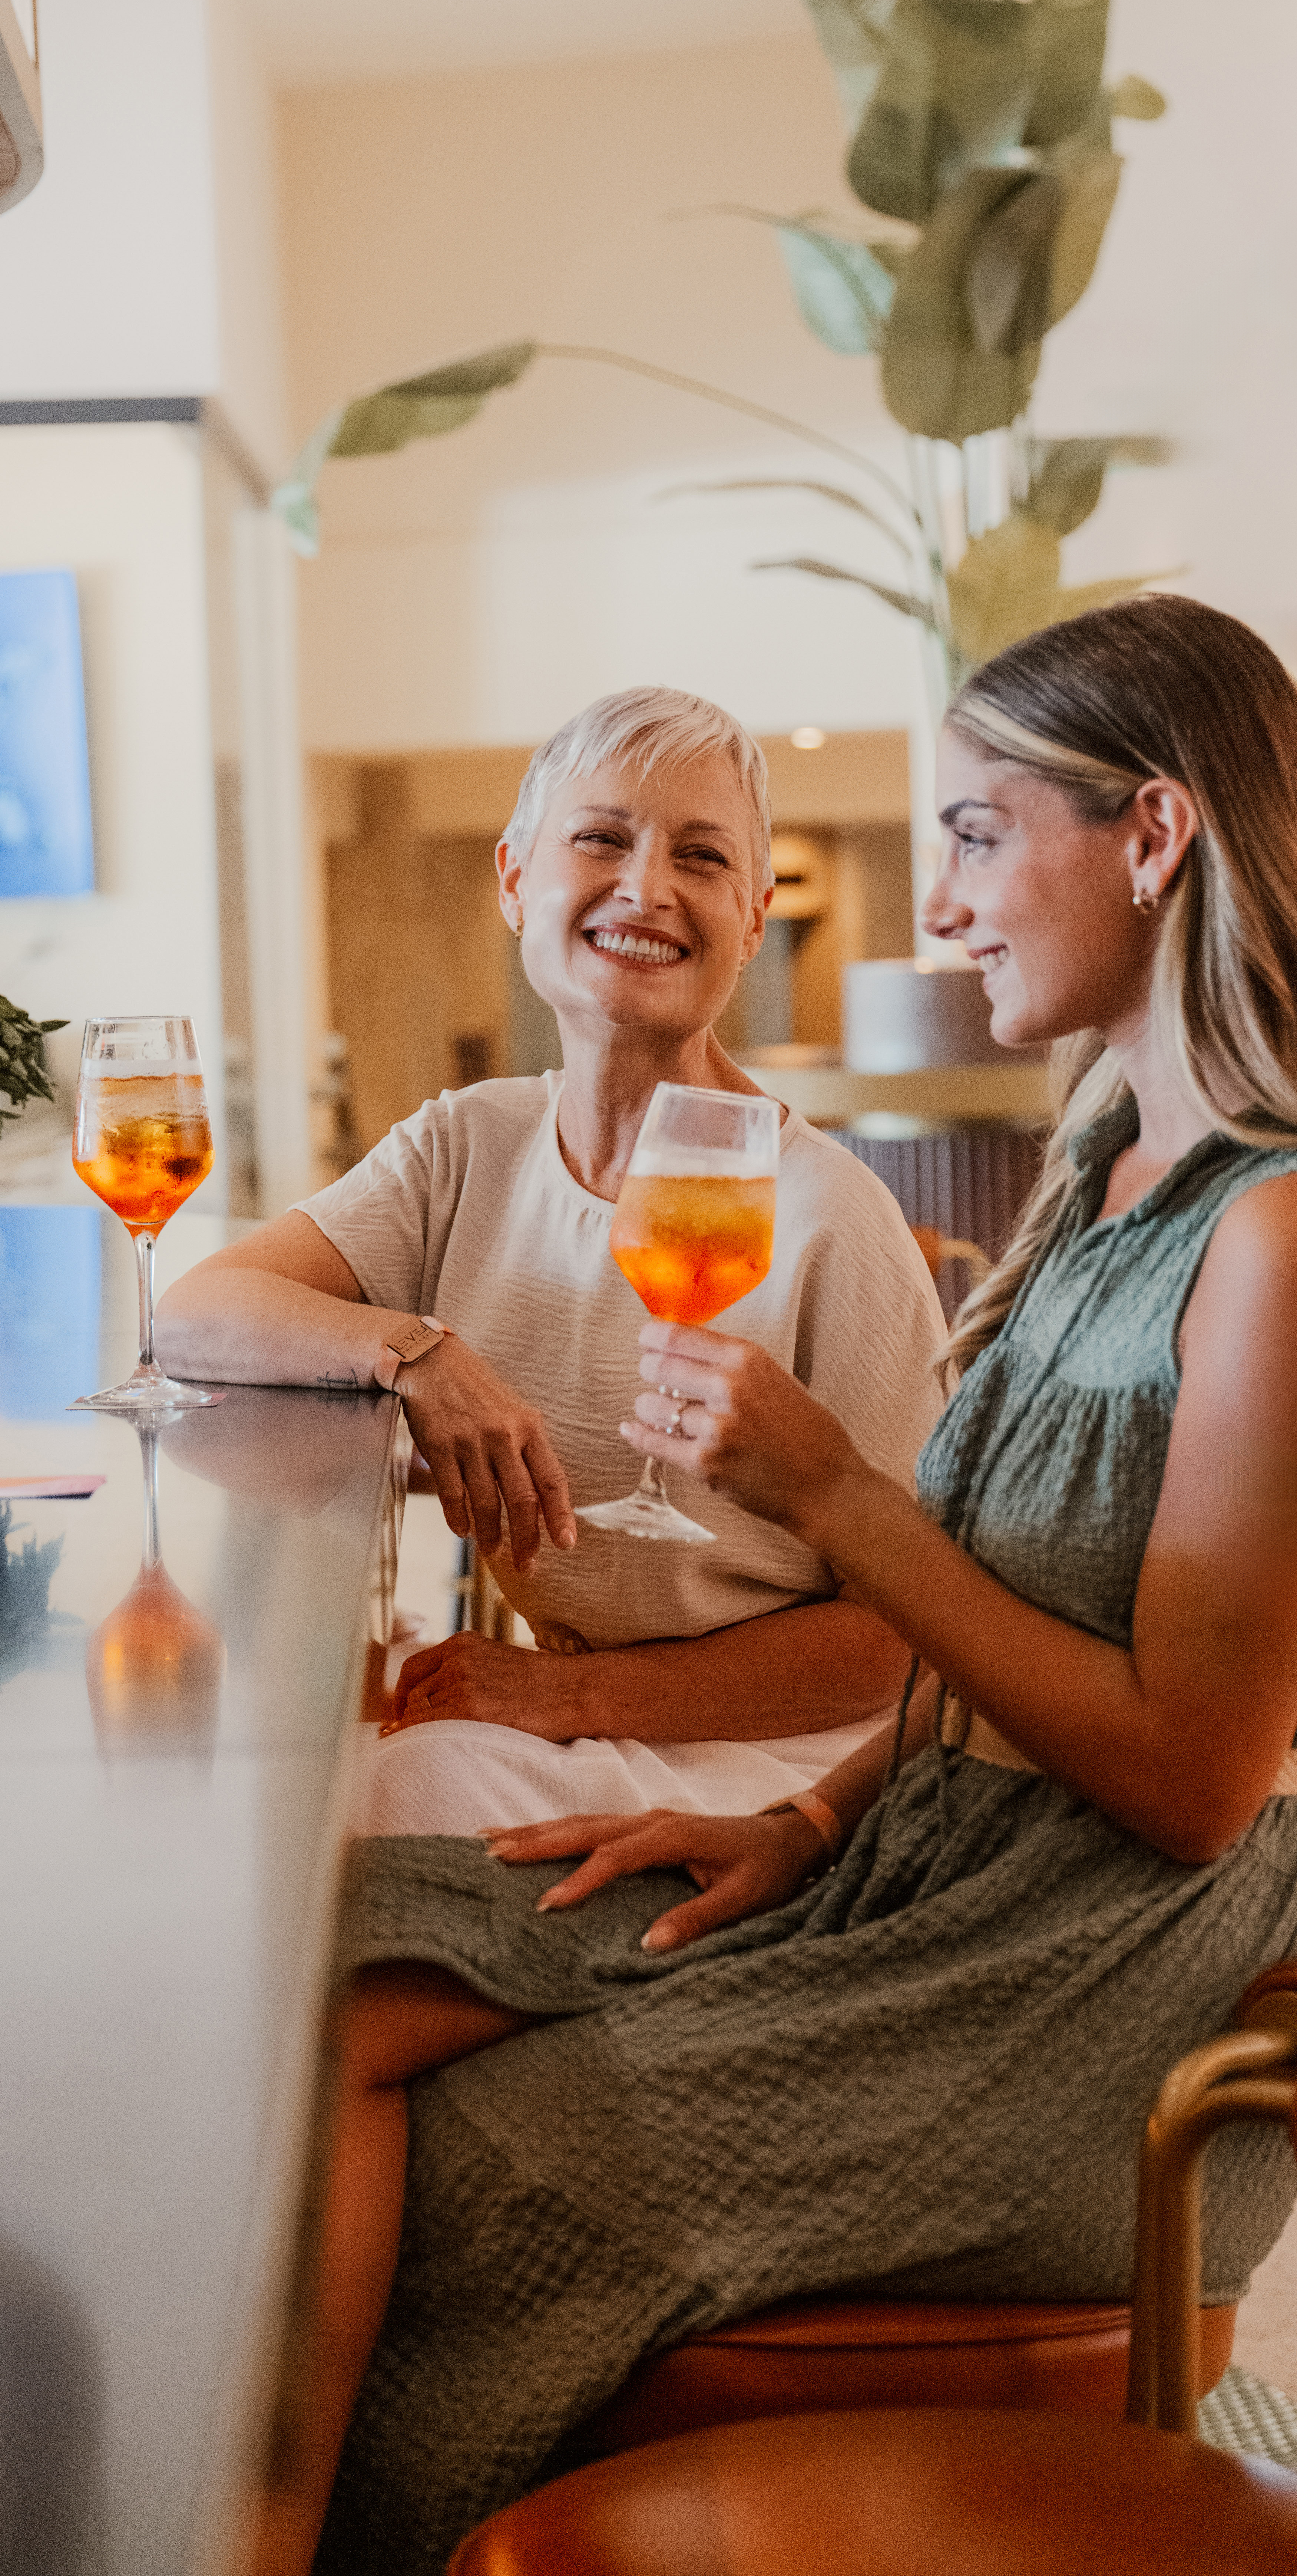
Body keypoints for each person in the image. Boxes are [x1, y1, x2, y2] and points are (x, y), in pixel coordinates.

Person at [257, 595, 1297, 2576]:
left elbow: (1190, 1779)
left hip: (1097, 1967)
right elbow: (996, 1633)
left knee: (474, 2163)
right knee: (327, 1978)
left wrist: (832, 1494)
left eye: (976, 833)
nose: (945, 907)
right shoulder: (1111, 1177)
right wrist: (818, 1824)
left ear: (1157, 838)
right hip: (931, 1863)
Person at [156, 687, 947, 1838]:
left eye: (703, 856)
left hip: (785, 1768)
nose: (648, 888)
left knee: (362, 1816)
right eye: (602, 839)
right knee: (261, 1777)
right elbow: (195, 1309)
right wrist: (416, 1357)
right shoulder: (465, 1145)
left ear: (755, 914)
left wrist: (572, 1693)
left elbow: (901, 1642)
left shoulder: (834, 1219)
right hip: (586, 1728)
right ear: (517, 879)